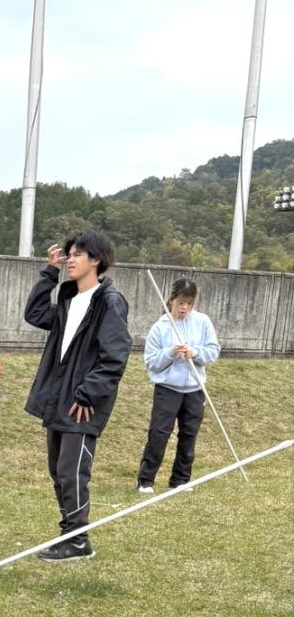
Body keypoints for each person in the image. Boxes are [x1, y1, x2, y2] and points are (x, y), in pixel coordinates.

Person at [24, 231, 131, 561]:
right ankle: (68, 534)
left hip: (82, 404)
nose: (69, 259)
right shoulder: (68, 301)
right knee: (58, 470)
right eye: (68, 254)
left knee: (72, 470)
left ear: (96, 260)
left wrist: (87, 394)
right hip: (59, 398)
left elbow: (115, 355)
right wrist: (48, 274)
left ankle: (78, 538)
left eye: (77, 254)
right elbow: (34, 313)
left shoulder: (109, 301)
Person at [137, 278, 220, 493]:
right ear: (172, 300)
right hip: (167, 389)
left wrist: (196, 352)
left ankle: (180, 481)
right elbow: (151, 363)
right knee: (159, 433)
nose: (184, 308)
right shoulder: (160, 327)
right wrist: (171, 352)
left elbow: (213, 349)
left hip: (194, 389)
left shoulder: (202, 322)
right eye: (181, 302)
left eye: (189, 303)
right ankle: (145, 481)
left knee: (189, 435)